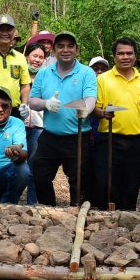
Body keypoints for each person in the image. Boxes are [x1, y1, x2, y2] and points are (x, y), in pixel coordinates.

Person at [29, 32, 97, 206]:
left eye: (70, 46)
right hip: (50, 136)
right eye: (60, 46)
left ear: (77, 50)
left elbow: (90, 97)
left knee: (79, 180)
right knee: (40, 175)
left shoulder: (86, 72)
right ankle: (49, 209)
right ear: (54, 50)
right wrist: (46, 103)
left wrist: (86, 109)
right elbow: (32, 101)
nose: (65, 50)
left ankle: (76, 211)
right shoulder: (44, 73)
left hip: (78, 136)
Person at [93, 37, 140, 210]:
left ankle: (128, 219)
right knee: (107, 185)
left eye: (129, 53)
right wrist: (103, 113)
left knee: (131, 185)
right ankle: (105, 219)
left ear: (136, 56)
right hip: (109, 139)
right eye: (121, 53)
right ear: (114, 56)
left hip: (138, 142)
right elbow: (95, 108)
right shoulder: (102, 79)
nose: (125, 57)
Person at [24, 42, 49, 160]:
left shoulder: (46, 77)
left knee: (34, 160)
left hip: (39, 125)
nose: (37, 60)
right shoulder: (19, 74)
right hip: (19, 123)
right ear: (27, 56)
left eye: (41, 57)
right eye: (34, 56)